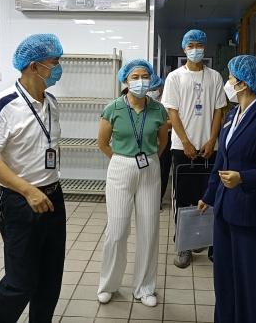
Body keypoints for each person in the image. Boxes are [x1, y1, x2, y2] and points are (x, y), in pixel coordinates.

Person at [0, 34, 66, 323]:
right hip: (20, 201)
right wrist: (28, 191)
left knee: (50, 279)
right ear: (33, 66)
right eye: (54, 62)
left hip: (53, 196)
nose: (58, 68)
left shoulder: (51, 102)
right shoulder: (3, 104)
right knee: (20, 282)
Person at [198, 55, 256, 323]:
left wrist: (244, 178)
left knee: (252, 284)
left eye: (230, 78)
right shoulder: (232, 116)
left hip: (253, 215)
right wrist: (209, 195)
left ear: (244, 84)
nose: (227, 82)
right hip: (226, 211)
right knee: (225, 281)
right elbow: (222, 159)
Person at [96, 59, 169, 307]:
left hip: (149, 167)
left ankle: (145, 288)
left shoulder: (158, 109)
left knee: (149, 229)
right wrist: (122, 160)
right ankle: (108, 285)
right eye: (135, 77)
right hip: (120, 167)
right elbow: (102, 143)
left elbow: (163, 141)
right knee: (117, 230)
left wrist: (150, 159)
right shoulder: (113, 108)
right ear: (125, 80)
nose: (140, 81)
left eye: (144, 76)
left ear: (151, 80)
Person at [161, 29, 226, 268]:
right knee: (183, 198)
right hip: (182, 148)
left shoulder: (214, 77)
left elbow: (219, 110)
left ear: (204, 48)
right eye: (191, 45)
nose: (195, 49)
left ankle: (204, 239)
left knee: (208, 196)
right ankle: (183, 246)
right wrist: (186, 142)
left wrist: (212, 140)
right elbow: (172, 112)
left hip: (210, 148)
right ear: (184, 48)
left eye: (199, 45)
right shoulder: (175, 78)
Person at [148, 74, 172, 208]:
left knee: (162, 170)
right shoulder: (144, 100)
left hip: (165, 139)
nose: (153, 92)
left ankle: (158, 200)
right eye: (150, 89)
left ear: (161, 87)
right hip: (148, 139)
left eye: (155, 89)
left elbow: (174, 121)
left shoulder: (168, 100)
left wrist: (157, 124)